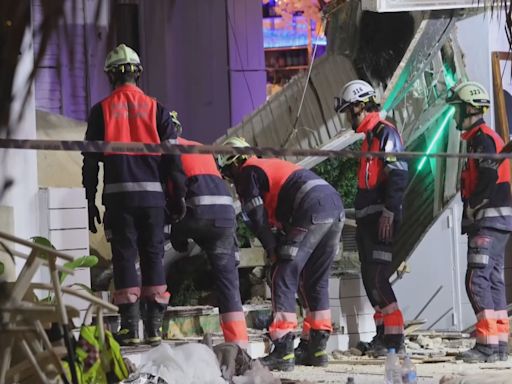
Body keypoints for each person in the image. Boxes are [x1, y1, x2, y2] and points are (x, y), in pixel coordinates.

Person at [82, 44, 187, 346]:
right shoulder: (158, 109)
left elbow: (90, 159)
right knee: (154, 256)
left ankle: (130, 328)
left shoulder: (101, 110)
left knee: (125, 257)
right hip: (153, 200)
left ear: (111, 75)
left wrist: (89, 198)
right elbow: (173, 157)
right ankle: (154, 328)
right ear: (138, 74)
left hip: (118, 199)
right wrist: (178, 195)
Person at [218, 137, 345, 371]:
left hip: (312, 207)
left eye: (227, 174)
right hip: (334, 206)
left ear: (234, 163)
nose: (231, 182)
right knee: (314, 280)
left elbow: (255, 216)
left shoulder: (248, 172)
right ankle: (315, 347)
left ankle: (283, 349)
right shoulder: (268, 169)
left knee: (283, 274)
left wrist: (271, 249)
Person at [335, 80, 409, 356]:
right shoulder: (369, 138)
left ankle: (395, 338)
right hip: (369, 218)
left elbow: (398, 173)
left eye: (348, 111)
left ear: (359, 106)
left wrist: (389, 210)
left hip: (382, 218)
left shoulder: (385, 133)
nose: (347, 118)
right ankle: (383, 336)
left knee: (378, 276)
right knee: (369, 277)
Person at [165, 112, 249, 348]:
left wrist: (176, 233)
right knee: (228, 282)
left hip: (196, 214)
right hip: (224, 216)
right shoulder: (200, 147)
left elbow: (169, 192)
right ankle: (238, 343)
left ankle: (151, 327)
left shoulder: (164, 151)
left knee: (157, 253)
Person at [446, 81, 512, 363]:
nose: (455, 115)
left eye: (458, 109)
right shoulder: (480, 138)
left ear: (471, 109)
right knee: (493, 279)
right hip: (499, 221)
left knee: (476, 279)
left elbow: (485, 177)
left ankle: (486, 343)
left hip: (488, 219)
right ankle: (498, 344)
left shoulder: (482, 139)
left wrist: (473, 206)